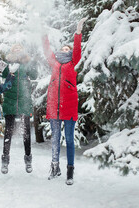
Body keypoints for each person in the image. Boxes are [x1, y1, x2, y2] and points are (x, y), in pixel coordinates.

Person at [42, 17, 87, 185]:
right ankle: (55, 167)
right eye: (63, 47)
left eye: (67, 48)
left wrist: (78, 32)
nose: (65, 49)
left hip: (69, 108)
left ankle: (70, 170)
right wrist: (43, 33)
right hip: (54, 107)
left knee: (68, 139)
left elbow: (77, 50)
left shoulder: (73, 62)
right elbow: (46, 49)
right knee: (55, 139)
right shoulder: (54, 62)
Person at [0, 44, 38, 174]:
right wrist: (9, 69)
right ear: (12, 51)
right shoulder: (7, 62)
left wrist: (33, 62)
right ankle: (5, 161)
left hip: (24, 101)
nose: (17, 50)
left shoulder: (26, 62)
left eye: (19, 49)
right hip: (10, 101)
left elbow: (34, 75)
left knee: (26, 131)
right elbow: (3, 75)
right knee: (8, 131)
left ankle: (28, 160)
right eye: (15, 49)